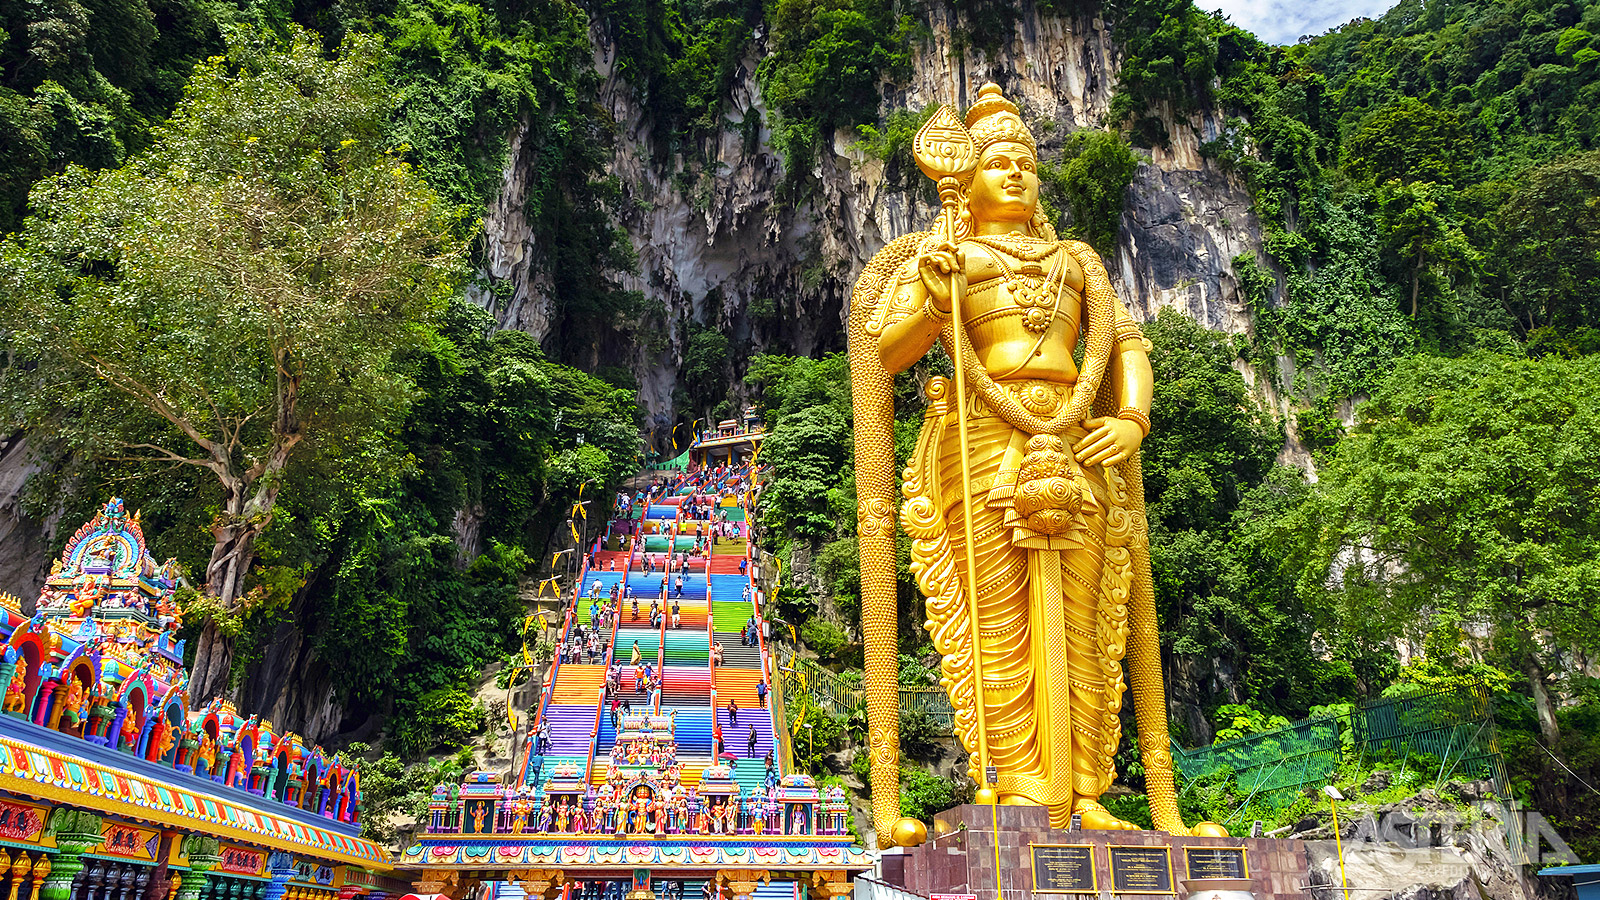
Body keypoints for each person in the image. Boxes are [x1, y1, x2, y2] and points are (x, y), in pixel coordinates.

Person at [849, 84, 1206, 835]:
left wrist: (1132, 418)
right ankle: (1017, 787)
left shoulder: (1078, 262)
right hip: (982, 440)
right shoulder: (949, 255)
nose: (1015, 172)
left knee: (1085, 617)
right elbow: (885, 354)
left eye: (1027, 162)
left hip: (1078, 442)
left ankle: (1085, 792)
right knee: (1000, 618)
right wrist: (932, 301)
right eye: (998, 162)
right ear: (968, 177)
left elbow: (1126, 345)